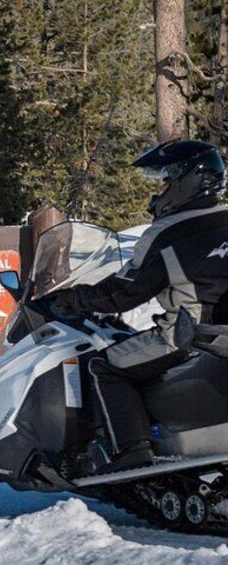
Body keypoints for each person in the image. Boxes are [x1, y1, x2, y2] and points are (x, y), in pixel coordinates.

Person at [40, 139, 228, 473]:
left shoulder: (169, 235)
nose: (159, 188)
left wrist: (72, 298)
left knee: (104, 365)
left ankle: (131, 450)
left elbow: (123, 293)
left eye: (165, 179)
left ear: (188, 180)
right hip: (220, 335)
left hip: (187, 336)